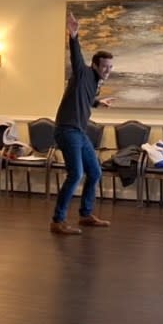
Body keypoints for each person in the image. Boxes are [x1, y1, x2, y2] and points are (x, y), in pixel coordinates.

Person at [50, 12, 114, 235]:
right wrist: (74, 35)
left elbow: (83, 97)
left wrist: (97, 102)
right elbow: (76, 57)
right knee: (75, 174)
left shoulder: (94, 81)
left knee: (95, 172)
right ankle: (58, 221)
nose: (108, 70)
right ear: (95, 65)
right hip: (67, 131)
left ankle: (86, 215)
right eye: (105, 66)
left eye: (110, 67)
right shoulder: (82, 72)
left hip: (79, 131)